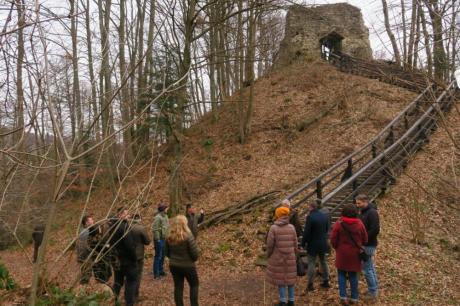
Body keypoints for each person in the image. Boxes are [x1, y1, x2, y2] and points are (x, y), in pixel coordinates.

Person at [330, 204, 368, 305]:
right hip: (355, 253)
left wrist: (337, 247)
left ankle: (343, 296)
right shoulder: (359, 224)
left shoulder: (339, 223)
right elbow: (365, 239)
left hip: (342, 253)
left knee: (341, 274)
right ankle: (354, 298)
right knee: (353, 275)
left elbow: (333, 239)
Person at [266, 206, 298, 306]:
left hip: (278, 256)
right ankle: (291, 300)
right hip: (290, 256)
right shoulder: (292, 227)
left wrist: (268, 255)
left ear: (278, 215)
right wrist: (295, 254)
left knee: (280, 279)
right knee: (290, 278)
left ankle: (283, 301)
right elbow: (295, 243)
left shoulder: (273, 228)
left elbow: (270, 244)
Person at [165, 215, 200, 306]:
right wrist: (192, 260)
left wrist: (173, 258)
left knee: (178, 287)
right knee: (194, 285)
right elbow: (195, 254)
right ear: (185, 223)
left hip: (174, 265)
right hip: (188, 266)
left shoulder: (169, 236)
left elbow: (166, 252)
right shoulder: (189, 235)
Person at [111, 207, 138, 306]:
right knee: (131, 282)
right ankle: (129, 303)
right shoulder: (124, 227)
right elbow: (130, 246)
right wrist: (134, 258)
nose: (129, 216)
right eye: (126, 214)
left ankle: (113, 301)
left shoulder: (112, 226)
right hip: (127, 261)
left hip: (117, 260)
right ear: (120, 215)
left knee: (118, 282)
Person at [355, 194, 380, 300]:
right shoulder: (363, 212)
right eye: (356, 203)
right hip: (365, 244)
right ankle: (374, 288)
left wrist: (364, 239)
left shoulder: (372, 213)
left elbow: (375, 229)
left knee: (367, 269)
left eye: (359, 203)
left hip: (368, 245)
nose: (357, 205)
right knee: (370, 266)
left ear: (365, 201)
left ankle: (373, 292)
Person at [301, 202, 330, 291]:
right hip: (323, 243)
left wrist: (303, 243)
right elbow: (327, 229)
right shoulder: (324, 216)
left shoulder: (310, 217)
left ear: (311, 208)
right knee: (323, 261)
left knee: (311, 263)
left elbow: (306, 232)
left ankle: (310, 284)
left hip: (313, 244)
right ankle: (326, 281)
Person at [131, 213, 151, 301]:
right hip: (138, 255)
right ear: (139, 219)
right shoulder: (141, 228)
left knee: (130, 275)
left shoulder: (127, 227)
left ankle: (129, 294)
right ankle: (135, 295)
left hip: (129, 255)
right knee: (138, 275)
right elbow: (147, 241)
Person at [152, 202, 169, 279]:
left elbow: (166, 228)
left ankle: (161, 270)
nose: (167, 209)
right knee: (158, 256)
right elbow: (155, 229)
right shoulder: (157, 217)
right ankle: (156, 273)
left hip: (164, 239)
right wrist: (158, 239)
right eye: (166, 208)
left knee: (163, 256)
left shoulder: (166, 216)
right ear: (163, 209)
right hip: (159, 240)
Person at [77, 215, 95, 284]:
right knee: (86, 274)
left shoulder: (82, 230)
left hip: (83, 256)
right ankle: (82, 288)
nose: (93, 221)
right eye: (91, 220)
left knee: (86, 273)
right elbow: (86, 246)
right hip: (85, 256)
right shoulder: (86, 232)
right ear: (86, 223)